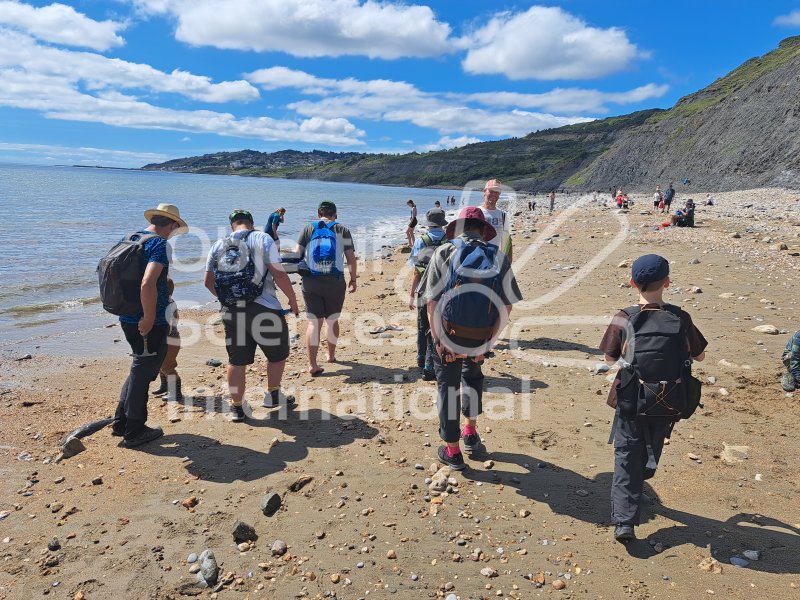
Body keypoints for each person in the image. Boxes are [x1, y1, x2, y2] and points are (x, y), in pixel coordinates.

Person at [599, 254, 707, 542]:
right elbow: (700, 355)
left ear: (632, 282)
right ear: (667, 282)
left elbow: (609, 359)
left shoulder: (624, 317)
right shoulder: (680, 318)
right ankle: (645, 469)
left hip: (631, 398)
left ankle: (625, 521)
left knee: (625, 455)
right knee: (653, 441)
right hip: (669, 398)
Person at [419, 206, 522, 470]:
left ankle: (452, 451)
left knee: (448, 388)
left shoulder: (445, 251)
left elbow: (431, 303)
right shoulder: (497, 256)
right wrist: (487, 344)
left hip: (448, 335)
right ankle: (470, 434)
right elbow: (507, 306)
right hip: (478, 337)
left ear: (459, 227)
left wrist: (440, 342)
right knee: (473, 377)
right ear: (483, 230)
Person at [204, 209, 300, 422]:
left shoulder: (218, 245)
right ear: (251, 223)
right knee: (277, 355)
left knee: (236, 360)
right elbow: (278, 272)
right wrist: (292, 300)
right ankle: (273, 396)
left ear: (232, 226)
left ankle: (238, 408)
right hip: (264, 308)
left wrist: (228, 301)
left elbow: (208, 283)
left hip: (231, 311)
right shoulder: (262, 238)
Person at [112, 203, 187, 447]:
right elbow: (147, 283)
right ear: (173, 224)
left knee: (138, 368)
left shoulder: (130, 238)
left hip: (126, 316)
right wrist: (148, 317)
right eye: (175, 229)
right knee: (143, 373)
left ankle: (121, 423)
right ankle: (134, 430)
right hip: (149, 320)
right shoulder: (158, 244)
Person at [295, 201, 358, 376]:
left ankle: (312, 364)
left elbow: (296, 255)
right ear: (335, 214)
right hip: (335, 282)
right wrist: (353, 279)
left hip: (311, 282)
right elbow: (351, 259)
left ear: (318, 214)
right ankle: (330, 355)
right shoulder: (342, 230)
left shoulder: (309, 229)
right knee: (332, 320)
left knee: (314, 323)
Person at [407, 208, 448, 381]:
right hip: (444, 289)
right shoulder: (450, 241)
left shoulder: (421, 241)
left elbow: (416, 270)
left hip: (424, 290)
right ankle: (433, 364)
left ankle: (421, 359)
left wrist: (411, 294)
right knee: (439, 326)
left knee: (423, 325)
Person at [151, 277, 182, 401]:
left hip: (170, 340)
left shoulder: (167, 304)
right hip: (166, 339)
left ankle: (176, 393)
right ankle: (164, 386)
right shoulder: (168, 301)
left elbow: (169, 323)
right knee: (160, 365)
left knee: (167, 366)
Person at [479, 179, 513, 263]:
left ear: (499, 194)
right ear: (484, 191)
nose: (494, 194)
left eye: (497, 192)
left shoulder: (503, 215)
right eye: (491, 191)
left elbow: (506, 239)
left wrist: (509, 260)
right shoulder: (476, 213)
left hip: (496, 261)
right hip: (478, 260)